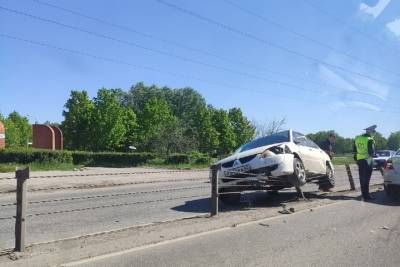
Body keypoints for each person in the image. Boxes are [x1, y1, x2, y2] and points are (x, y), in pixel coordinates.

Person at [354, 125, 376, 201]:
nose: (374, 133)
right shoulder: (370, 140)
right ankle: (367, 196)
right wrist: (375, 155)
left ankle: (363, 195)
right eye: (374, 131)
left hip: (360, 160)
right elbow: (371, 153)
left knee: (362, 179)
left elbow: (354, 150)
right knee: (367, 179)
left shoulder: (357, 138)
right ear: (370, 131)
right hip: (368, 161)